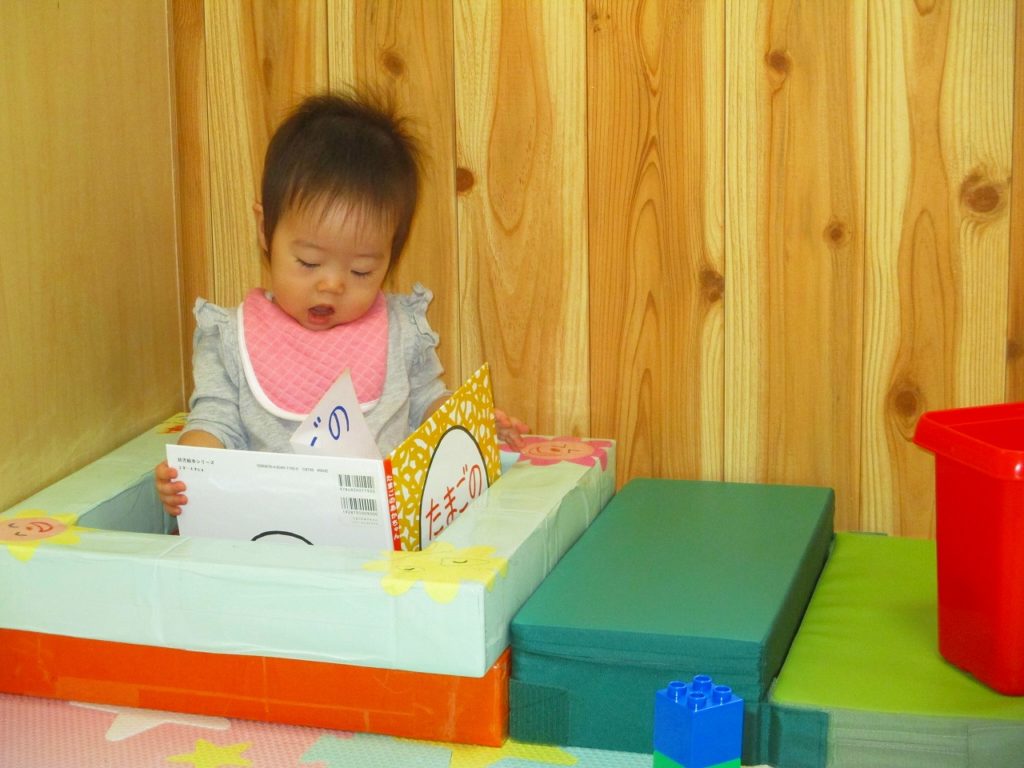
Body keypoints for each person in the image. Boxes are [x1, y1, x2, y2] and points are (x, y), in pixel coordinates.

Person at [156, 91, 527, 516]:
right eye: (308, 262)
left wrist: (470, 422)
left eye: (361, 271)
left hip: (380, 533)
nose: (332, 284)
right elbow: (214, 421)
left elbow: (427, 403)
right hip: (269, 529)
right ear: (265, 230)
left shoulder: (401, 329)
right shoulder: (229, 339)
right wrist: (188, 469)